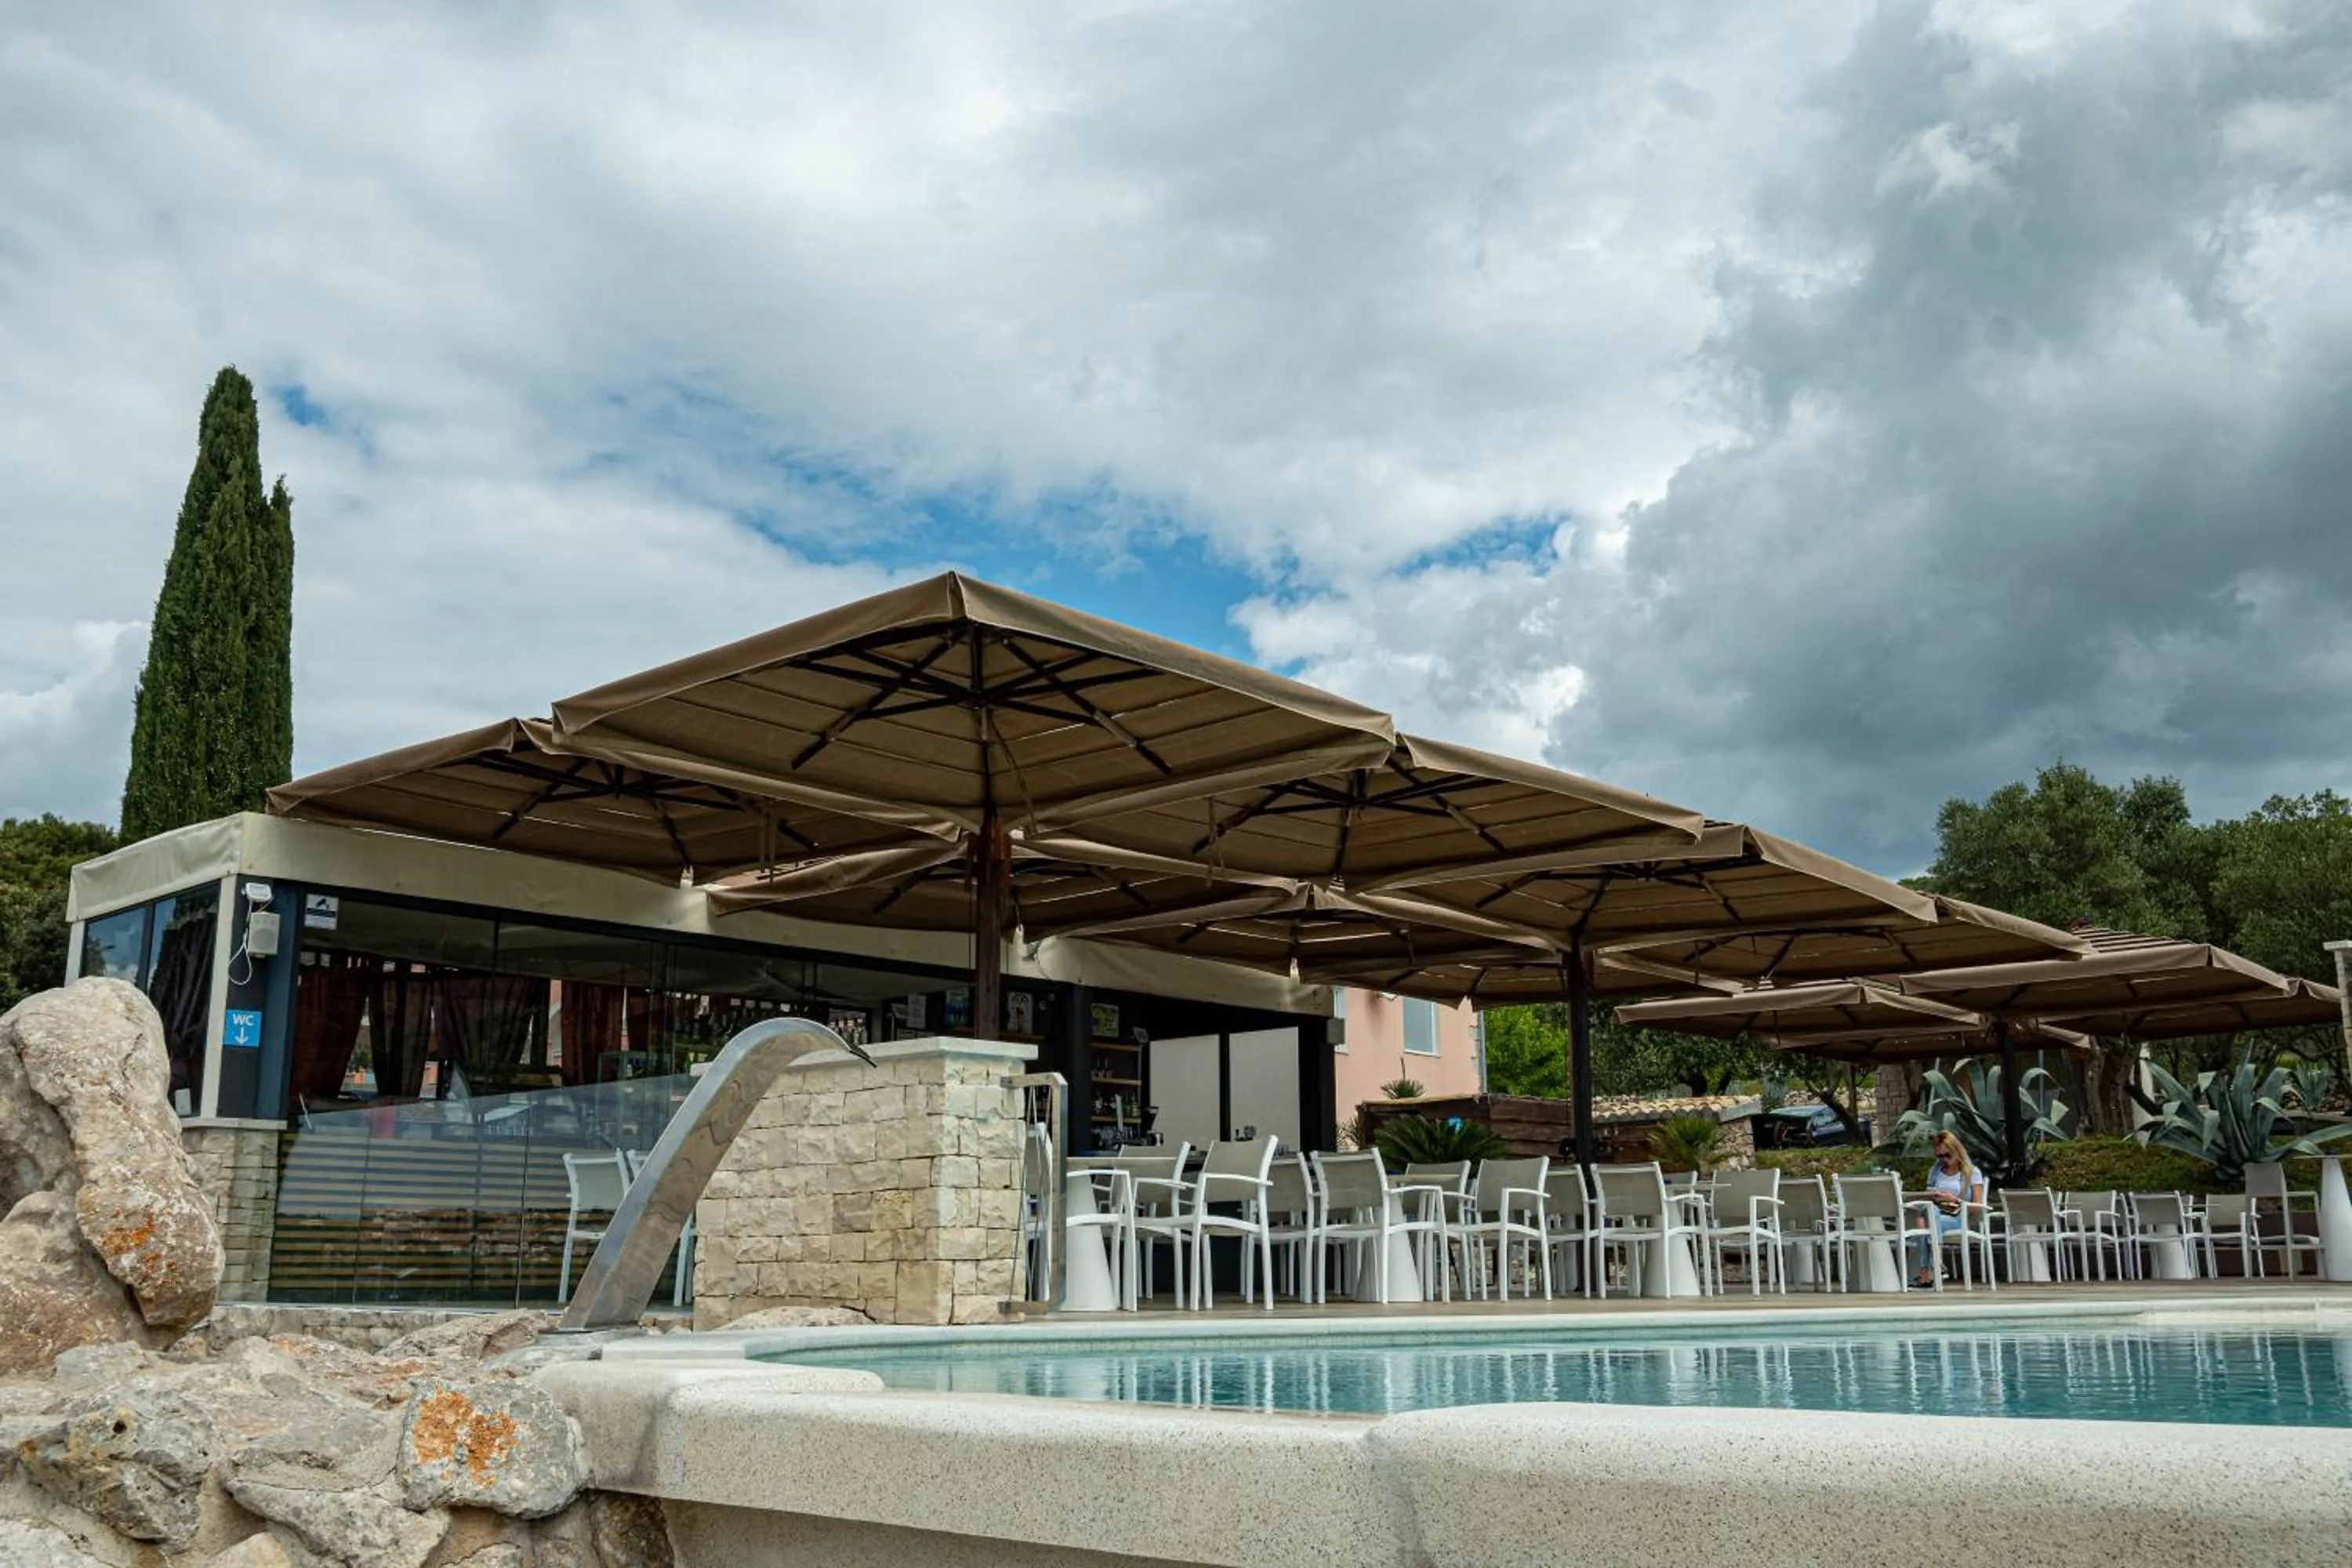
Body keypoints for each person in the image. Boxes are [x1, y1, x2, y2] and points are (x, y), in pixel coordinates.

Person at [1913, 1131, 1983, 1287]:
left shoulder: (1971, 1173)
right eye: (1939, 1156)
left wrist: (1954, 1200)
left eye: (1947, 1155)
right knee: (1924, 1218)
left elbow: (1977, 1208)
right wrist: (1933, 1197)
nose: (1944, 1160)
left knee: (1925, 1222)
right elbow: (1928, 1196)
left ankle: (1929, 1270)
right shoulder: (1935, 1171)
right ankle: (1932, 1270)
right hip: (1936, 1214)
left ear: (1957, 1152)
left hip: (1958, 1218)